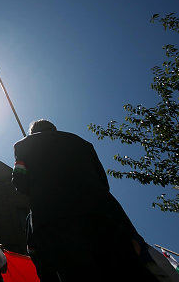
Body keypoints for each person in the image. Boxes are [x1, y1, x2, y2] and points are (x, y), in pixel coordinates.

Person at [12, 119, 158, 282]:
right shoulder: (83, 143)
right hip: (101, 217)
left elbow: (20, 181)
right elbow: (102, 181)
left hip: (54, 222)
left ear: (32, 132)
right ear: (54, 129)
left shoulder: (22, 146)